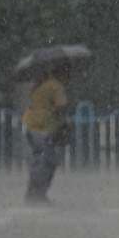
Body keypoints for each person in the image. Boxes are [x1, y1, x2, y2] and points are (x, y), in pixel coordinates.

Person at [22, 62, 71, 205]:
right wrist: (64, 122)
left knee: (39, 160)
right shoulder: (56, 86)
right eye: (67, 74)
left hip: (31, 126)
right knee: (48, 162)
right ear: (62, 74)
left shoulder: (38, 86)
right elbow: (61, 107)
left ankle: (32, 193)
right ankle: (38, 194)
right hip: (44, 128)